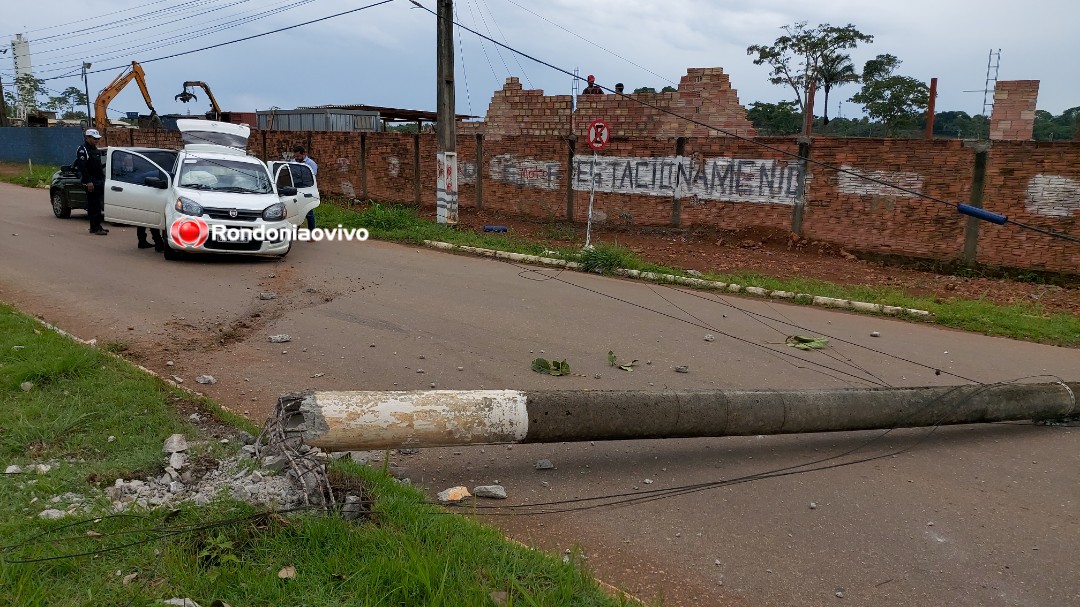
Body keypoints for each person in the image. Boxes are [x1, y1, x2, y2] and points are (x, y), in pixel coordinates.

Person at [115, 154, 165, 250]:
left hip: (140, 192)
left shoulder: (147, 170)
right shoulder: (158, 173)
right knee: (151, 219)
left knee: (144, 218)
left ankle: (143, 241)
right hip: (145, 193)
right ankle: (158, 243)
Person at [74, 128, 108, 235]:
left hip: (98, 180)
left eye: (98, 138)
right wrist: (88, 181)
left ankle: (95, 226)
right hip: (91, 181)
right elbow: (82, 167)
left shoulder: (95, 149)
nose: (96, 140)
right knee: (94, 205)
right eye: (94, 138)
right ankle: (96, 228)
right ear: (87, 138)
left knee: (96, 205)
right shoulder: (82, 150)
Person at [292, 145, 318, 230]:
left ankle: (311, 234)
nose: (296, 158)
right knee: (296, 212)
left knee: (308, 213)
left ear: (303, 154)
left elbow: (312, 177)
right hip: (295, 190)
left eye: (298, 156)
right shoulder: (293, 162)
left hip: (306, 190)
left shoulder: (311, 164)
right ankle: (295, 233)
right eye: (295, 156)